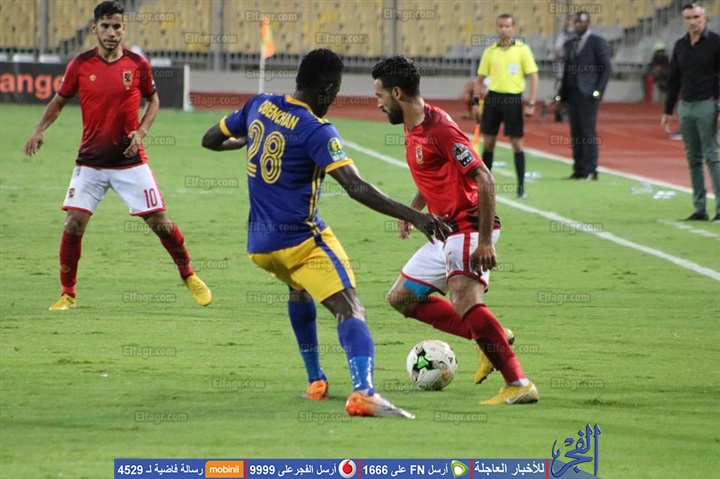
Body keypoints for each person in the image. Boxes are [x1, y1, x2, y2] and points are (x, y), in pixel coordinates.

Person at [200, 49, 450, 418]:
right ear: (328, 89)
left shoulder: (259, 104)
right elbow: (356, 187)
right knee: (351, 308)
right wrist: (416, 216)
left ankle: (315, 380)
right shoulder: (316, 130)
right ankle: (364, 392)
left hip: (260, 246)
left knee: (298, 288)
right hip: (300, 240)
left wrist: (248, 140)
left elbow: (210, 139)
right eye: (336, 91)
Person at [373, 56, 539, 406]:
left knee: (465, 299)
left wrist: (485, 242)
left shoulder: (441, 130)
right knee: (401, 297)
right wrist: (414, 210)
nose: (378, 103)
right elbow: (433, 173)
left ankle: (518, 383)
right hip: (445, 230)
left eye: (380, 96)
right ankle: (490, 338)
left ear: (397, 93)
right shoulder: (413, 125)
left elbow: (485, 178)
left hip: (468, 224)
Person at [24, 1, 211, 310]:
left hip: (129, 161)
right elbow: (59, 100)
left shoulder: (138, 65)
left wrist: (142, 131)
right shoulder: (80, 65)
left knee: (161, 223)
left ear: (124, 29)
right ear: (95, 28)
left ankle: (188, 274)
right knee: (73, 224)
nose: (111, 33)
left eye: (117, 27)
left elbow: (153, 100)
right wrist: (39, 129)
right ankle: (68, 294)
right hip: (90, 161)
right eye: (105, 26)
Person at [661, 3, 720, 223]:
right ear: (683, 20)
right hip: (686, 106)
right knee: (693, 159)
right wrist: (668, 110)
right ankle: (699, 209)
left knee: (712, 157)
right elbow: (674, 79)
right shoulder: (680, 45)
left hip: (708, 104)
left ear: (705, 18)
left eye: (696, 17)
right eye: (688, 18)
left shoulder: (716, 43)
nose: (692, 22)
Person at [472, 13, 539, 199]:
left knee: (517, 143)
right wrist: (476, 103)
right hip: (493, 98)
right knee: (489, 143)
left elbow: (533, 76)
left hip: (513, 99)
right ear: (497, 28)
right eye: (500, 26)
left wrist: (532, 102)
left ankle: (521, 187)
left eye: (507, 26)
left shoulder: (522, 50)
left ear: (513, 28)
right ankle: (485, 186)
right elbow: (479, 80)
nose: (503, 29)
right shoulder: (490, 51)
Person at [557, 12, 612, 180]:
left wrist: (598, 91)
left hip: (588, 93)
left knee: (588, 132)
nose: (578, 25)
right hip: (572, 92)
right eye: (576, 22)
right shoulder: (571, 43)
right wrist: (562, 95)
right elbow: (566, 70)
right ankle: (579, 168)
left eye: (582, 22)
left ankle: (591, 170)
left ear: (589, 23)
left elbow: (606, 68)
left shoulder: (597, 42)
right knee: (576, 132)